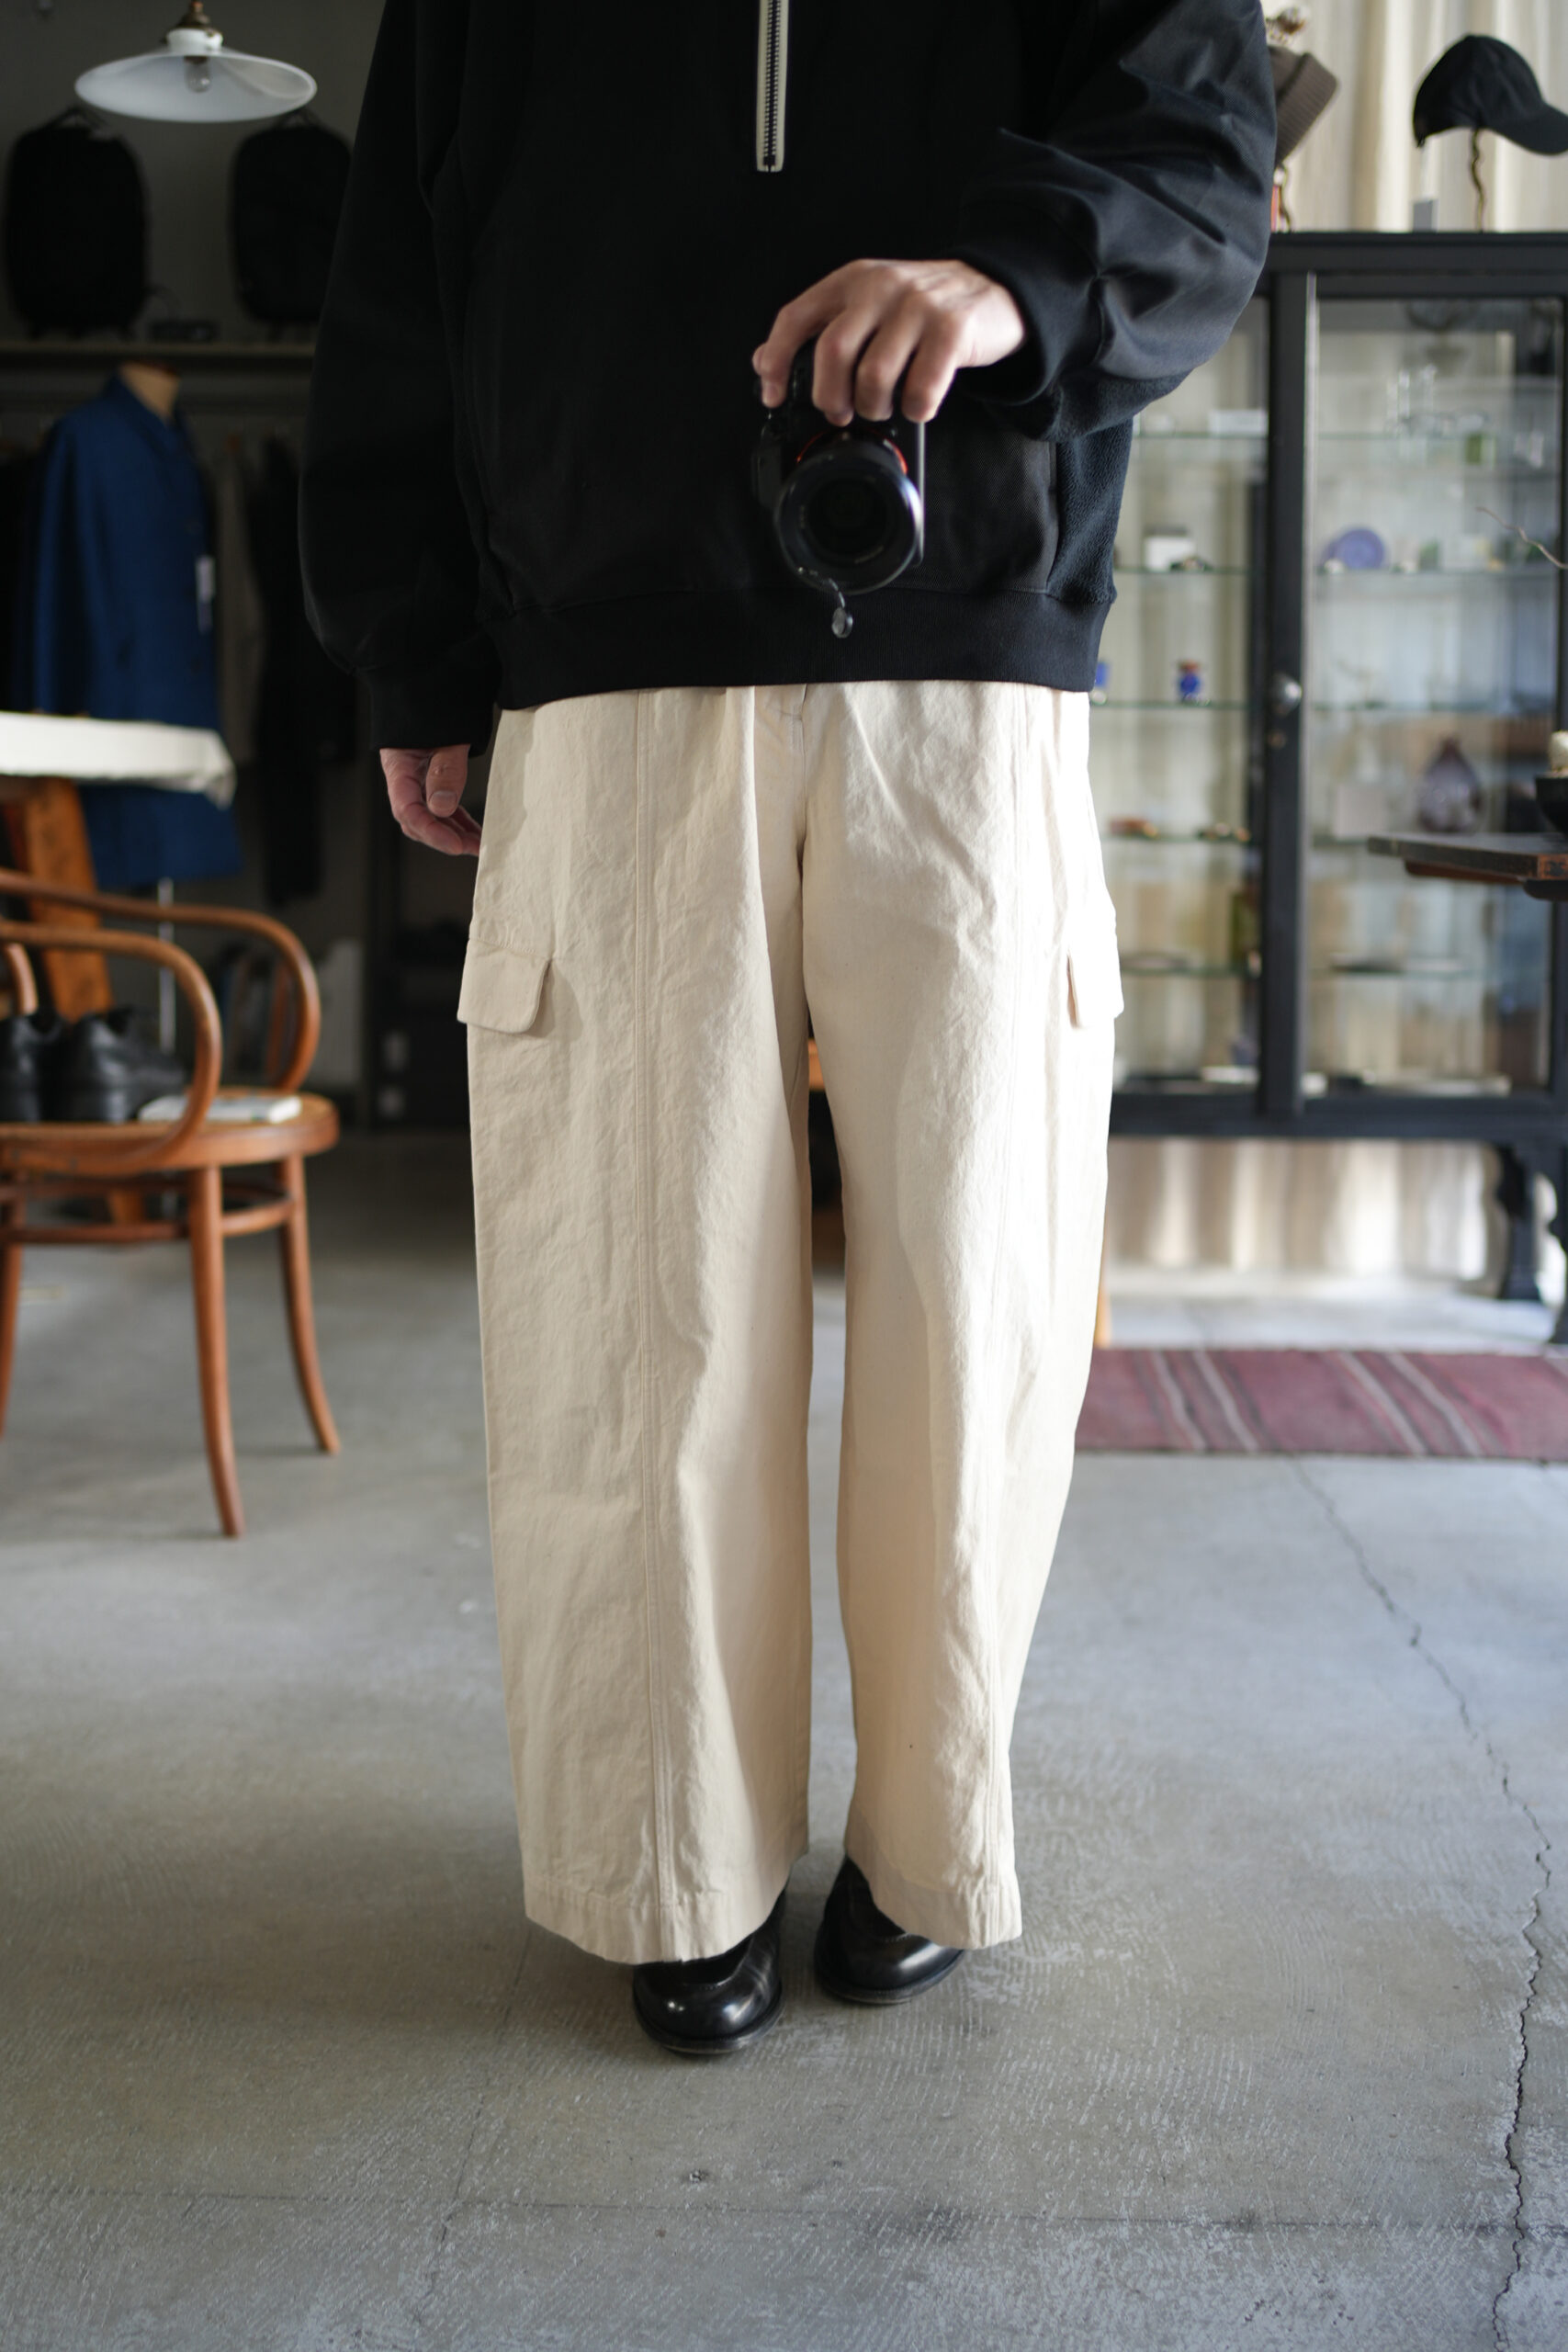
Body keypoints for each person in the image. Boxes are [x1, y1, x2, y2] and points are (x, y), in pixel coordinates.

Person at [302, 0, 1275, 2056]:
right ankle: (672, 1860)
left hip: (971, 668)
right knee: (627, 1319)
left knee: (976, 1304)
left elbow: (1201, 159)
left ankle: (928, 1842)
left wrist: (1006, 280)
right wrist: (417, 652)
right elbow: (402, 275)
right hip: (604, 667)